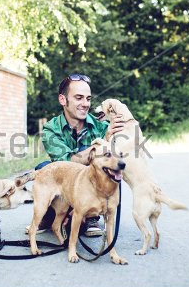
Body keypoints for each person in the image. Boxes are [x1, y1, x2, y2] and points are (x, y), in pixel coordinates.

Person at [28, 73, 124, 237]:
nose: (85, 104)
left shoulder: (102, 126)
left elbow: (120, 161)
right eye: (79, 98)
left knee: (110, 168)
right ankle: (50, 214)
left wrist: (119, 132)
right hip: (67, 183)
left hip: (92, 186)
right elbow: (65, 163)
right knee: (44, 168)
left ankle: (92, 216)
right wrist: (101, 142)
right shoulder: (51, 129)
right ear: (63, 100)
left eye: (88, 98)